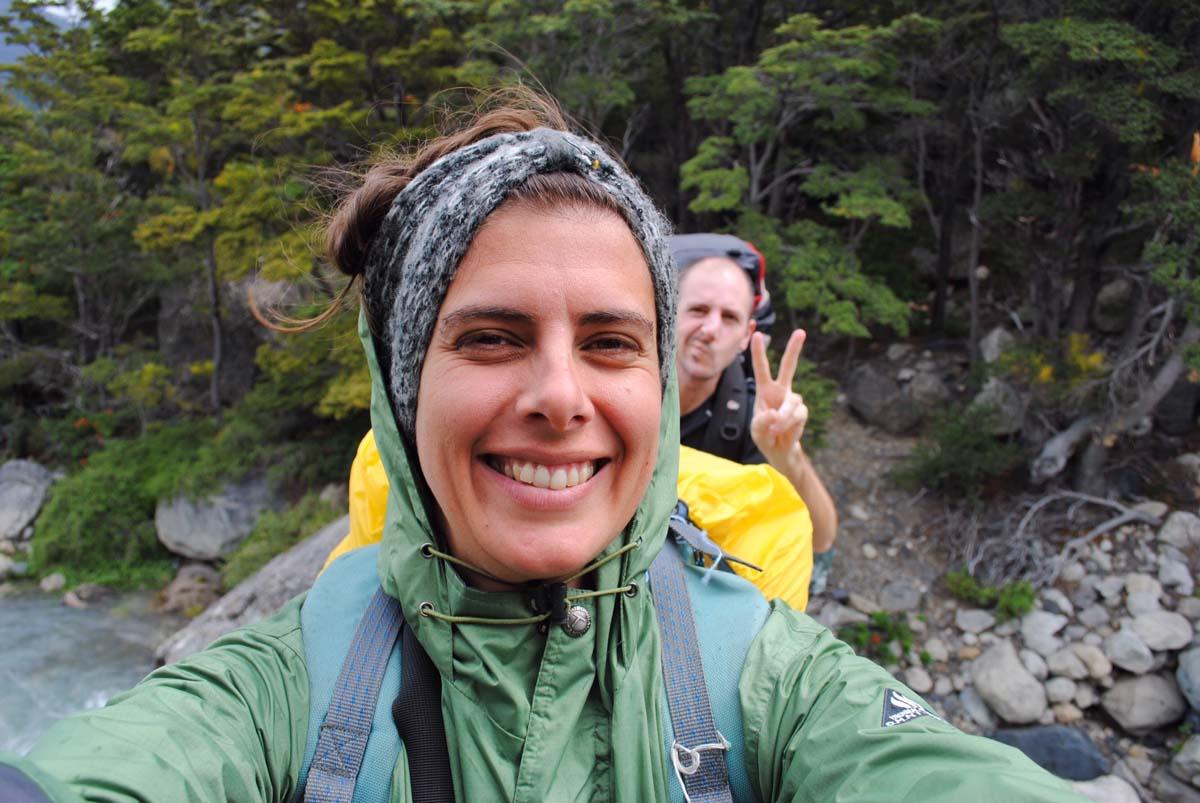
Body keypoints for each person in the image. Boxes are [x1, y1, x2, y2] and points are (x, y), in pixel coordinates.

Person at [0, 92, 1086, 802]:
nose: (563, 396)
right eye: (491, 337)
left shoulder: (764, 673)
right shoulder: (284, 689)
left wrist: (784, 452)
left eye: (611, 342)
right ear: (403, 387)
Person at [672, 234, 840, 593]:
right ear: (670, 311)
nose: (710, 329)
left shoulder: (750, 416)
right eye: (698, 310)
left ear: (747, 335)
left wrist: (787, 456)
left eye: (729, 317)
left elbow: (822, 537)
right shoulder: (624, 385)